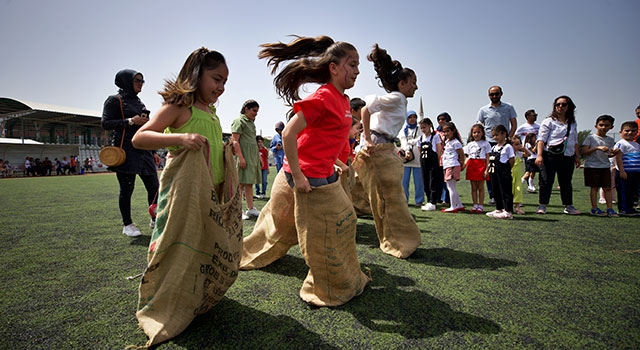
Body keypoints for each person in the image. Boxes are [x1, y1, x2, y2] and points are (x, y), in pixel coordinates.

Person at [240, 35, 370, 307]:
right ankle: (324, 289)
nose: (357, 71)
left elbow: (329, 136)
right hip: (306, 174)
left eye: (358, 66)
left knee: (341, 222)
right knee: (323, 231)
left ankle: (342, 277)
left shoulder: (344, 102)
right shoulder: (323, 97)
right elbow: (289, 133)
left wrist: (336, 159)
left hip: (322, 170)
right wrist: (298, 175)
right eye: (352, 64)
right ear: (333, 68)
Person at [355, 43, 421, 258]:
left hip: (384, 144)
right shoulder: (397, 98)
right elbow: (365, 108)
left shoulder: (399, 100)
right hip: (377, 145)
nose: (415, 87)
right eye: (413, 83)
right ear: (402, 83)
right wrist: (367, 139)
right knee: (388, 195)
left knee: (366, 190)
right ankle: (397, 241)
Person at [101, 69, 159, 237]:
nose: (141, 84)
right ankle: (127, 224)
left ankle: (155, 219)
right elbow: (105, 123)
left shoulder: (139, 102)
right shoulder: (114, 100)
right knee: (127, 189)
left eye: (142, 81)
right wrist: (130, 121)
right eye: (137, 80)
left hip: (144, 151)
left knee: (154, 187)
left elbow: (144, 129)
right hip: (126, 151)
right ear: (125, 81)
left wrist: (153, 150)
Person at [534, 95, 581, 215]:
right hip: (550, 155)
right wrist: (539, 155)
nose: (560, 107)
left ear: (569, 107)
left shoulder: (572, 123)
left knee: (566, 181)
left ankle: (568, 205)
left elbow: (574, 140)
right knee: (546, 180)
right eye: (558, 104)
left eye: (563, 104)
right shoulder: (549, 121)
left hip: (567, 155)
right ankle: (542, 205)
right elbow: (541, 139)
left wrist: (577, 156)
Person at [477, 86, 517, 205]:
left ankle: (507, 196)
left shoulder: (508, 107)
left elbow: (514, 124)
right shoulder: (483, 110)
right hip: (489, 142)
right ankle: (493, 195)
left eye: (496, 94)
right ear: (488, 95)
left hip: (504, 143)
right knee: (491, 169)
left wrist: (508, 137)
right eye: (492, 94)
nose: (494, 96)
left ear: (501, 94)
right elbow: (479, 125)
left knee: (505, 170)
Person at [581, 114, 618, 217]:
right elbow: (584, 151)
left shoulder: (610, 140)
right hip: (592, 166)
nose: (603, 127)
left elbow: (609, 155)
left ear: (611, 127)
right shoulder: (590, 138)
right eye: (601, 125)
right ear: (596, 125)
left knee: (607, 188)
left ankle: (609, 208)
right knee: (594, 188)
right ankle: (594, 208)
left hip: (605, 166)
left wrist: (614, 153)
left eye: (606, 125)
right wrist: (597, 148)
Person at [232, 99, 262, 220]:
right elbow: (235, 141)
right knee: (239, 185)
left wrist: (258, 158)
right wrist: (240, 157)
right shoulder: (238, 121)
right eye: (254, 110)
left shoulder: (251, 123)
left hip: (251, 158)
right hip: (243, 157)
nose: (256, 113)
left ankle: (250, 209)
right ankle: (237, 211)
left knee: (249, 183)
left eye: (257, 111)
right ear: (246, 109)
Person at [485, 125, 516, 219]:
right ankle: (499, 208)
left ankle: (508, 211)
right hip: (494, 172)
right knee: (496, 190)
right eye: (493, 135)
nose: (495, 137)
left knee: (505, 191)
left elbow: (512, 160)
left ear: (504, 134)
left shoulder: (507, 147)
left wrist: (506, 169)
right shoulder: (494, 147)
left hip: (503, 172)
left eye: (497, 135)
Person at [613, 121, 640, 216]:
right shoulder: (621, 143)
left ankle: (630, 207)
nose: (630, 133)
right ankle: (623, 209)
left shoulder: (636, 145)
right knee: (624, 191)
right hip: (625, 172)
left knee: (632, 192)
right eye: (627, 130)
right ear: (621, 132)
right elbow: (618, 158)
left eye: (633, 131)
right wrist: (622, 171)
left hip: (635, 173)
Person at [463, 123, 491, 213]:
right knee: (473, 187)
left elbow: (488, 157)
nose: (476, 134)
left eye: (478, 132)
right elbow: (467, 157)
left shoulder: (486, 144)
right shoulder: (470, 144)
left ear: (482, 133)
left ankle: (481, 205)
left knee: (481, 187)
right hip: (472, 165)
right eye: (474, 132)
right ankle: (475, 205)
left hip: (481, 165)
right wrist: (463, 166)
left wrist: (487, 169)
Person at [398, 110, 424, 207]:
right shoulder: (403, 129)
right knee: (404, 182)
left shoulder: (420, 129)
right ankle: (404, 200)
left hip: (418, 159)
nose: (412, 119)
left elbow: (421, 139)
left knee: (419, 181)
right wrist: (407, 150)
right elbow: (403, 141)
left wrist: (411, 142)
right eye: (410, 117)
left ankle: (419, 200)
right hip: (406, 158)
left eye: (414, 117)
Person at [440, 121, 465, 213]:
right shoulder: (447, 142)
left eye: (448, 131)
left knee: (451, 187)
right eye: (444, 131)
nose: (446, 133)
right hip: (448, 165)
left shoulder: (455, 142)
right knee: (451, 186)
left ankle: (453, 206)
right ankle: (459, 205)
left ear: (453, 131)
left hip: (452, 165)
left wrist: (462, 163)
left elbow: (461, 154)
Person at [418, 118, 443, 211]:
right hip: (424, 162)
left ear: (430, 126)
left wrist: (438, 161)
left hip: (433, 161)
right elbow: (419, 150)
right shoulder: (420, 138)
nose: (423, 129)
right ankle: (428, 200)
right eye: (421, 128)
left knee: (433, 181)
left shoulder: (435, 137)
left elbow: (439, 150)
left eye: (424, 127)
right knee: (425, 181)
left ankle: (433, 202)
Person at [436, 112, 452, 206]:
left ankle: (446, 198)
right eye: (439, 119)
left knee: (447, 179)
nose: (441, 121)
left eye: (443, 119)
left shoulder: (452, 131)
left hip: (449, 158)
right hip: (438, 158)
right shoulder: (436, 132)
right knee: (438, 179)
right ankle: (438, 197)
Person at [511, 135, 530, 214]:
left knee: (518, 191)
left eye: (519, 144)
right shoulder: (509, 154)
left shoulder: (519, 154)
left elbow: (528, 154)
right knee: (509, 191)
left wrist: (524, 148)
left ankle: (517, 207)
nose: (518, 146)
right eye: (516, 144)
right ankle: (507, 206)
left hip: (517, 177)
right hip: (510, 176)